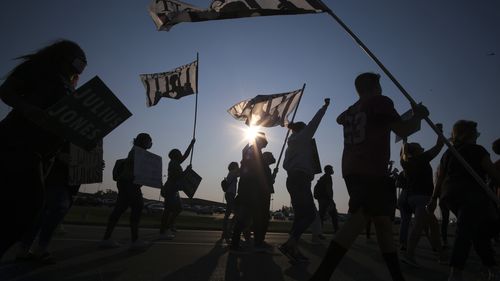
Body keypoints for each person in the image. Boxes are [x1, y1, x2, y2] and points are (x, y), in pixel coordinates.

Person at [310, 72, 428, 281]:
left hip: (352, 168)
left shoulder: (351, 110)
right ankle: (321, 276)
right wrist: (419, 115)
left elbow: (340, 119)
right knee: (359, 218)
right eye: (379, 85)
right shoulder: (380, 102)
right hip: (371, 169)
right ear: (375, 86)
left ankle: (397, 277)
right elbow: (401, 128)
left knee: (382, 222)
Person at [0, 40, 87, 259]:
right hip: (18, 141)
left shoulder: (69, 86)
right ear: (65, 56)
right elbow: (6, 91)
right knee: (29, 207)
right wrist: (29, 109)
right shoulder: (40, 69)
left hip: (44, 154)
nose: (82, 66)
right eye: (79, 60)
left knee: (25, 208)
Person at [427, 120, 500, 281]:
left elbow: (439, 179)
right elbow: (494, 174)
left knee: (477, 231)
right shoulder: (477, 150)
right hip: (472, 195)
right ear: (469, 134)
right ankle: (455, 272)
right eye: (476, 133)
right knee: (466, 231)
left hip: (450, 196)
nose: (477, 135)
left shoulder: (448, 153)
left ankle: (491, 268)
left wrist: (434, 199)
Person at [279, 99, 329, 263]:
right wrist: (324, 107)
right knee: (308, 214)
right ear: (302, 130)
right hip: (301, 179)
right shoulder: (302, 138)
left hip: (293, 179)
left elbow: (286, 165)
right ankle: (290, 243)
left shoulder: (291, 146)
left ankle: (292, 247)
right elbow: (315, 123)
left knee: (301, 214)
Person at [399, 133, 445, 267]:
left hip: (413, 197)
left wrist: (404, 142)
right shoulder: (422, 159)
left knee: (434, 226)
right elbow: (439, 145)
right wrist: (439, 130)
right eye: (420, 147)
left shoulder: (406, 162)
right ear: (417, 151)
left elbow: (402, 152)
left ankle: (441, 254)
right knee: (418, 226)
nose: (423, 149)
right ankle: (409, 255)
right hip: (422, 197)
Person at [99, 133, 152, 251]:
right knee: (137, 208)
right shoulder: (138, 152)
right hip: (130, 184)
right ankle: (135, 240)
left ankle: (106, 238)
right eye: (149, 141)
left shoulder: (136, 151)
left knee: (119, 210)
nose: (150, 144)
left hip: (125, 183)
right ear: (143, 141)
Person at [230, 132, 268, 252]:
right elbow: (253, 170)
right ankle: (256, 244)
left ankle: (236, 244)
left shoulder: (251, 151)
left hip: (248, 189)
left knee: (245, 218)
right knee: (253, 218)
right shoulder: (253, 152)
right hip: (251, 190)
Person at [159, 139, 196, 240]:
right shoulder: (173, 164)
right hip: (170, 189)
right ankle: (163, 231)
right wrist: (187, 170)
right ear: (175, 155)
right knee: (167, 210)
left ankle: (169, 225)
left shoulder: (176, 163)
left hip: (174, 190)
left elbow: (185, 155)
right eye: (179, 153)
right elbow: (178, 176)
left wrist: (191, 144)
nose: (181, 154)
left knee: (178, 208)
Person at [313, 165, 339, 234]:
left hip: (321, 199)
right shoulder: (328, 177)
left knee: (321, 216)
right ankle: (336, 232)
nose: (333, 170)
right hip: (326, 199)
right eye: (331, 169)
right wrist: (331, 200)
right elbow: (328, 189)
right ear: (329, 170)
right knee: (334, 215)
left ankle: (319, 232)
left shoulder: (323, 178)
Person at [221, 161, 240, 242]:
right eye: (237, 166)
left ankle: (225, 231)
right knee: (236, 213)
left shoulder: (231, 173)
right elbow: (240, 173)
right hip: (230, 195)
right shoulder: (232, 173)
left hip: (230, 195)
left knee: (228, 214)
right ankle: (228, 230)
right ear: (234, 167)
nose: (238, 167)